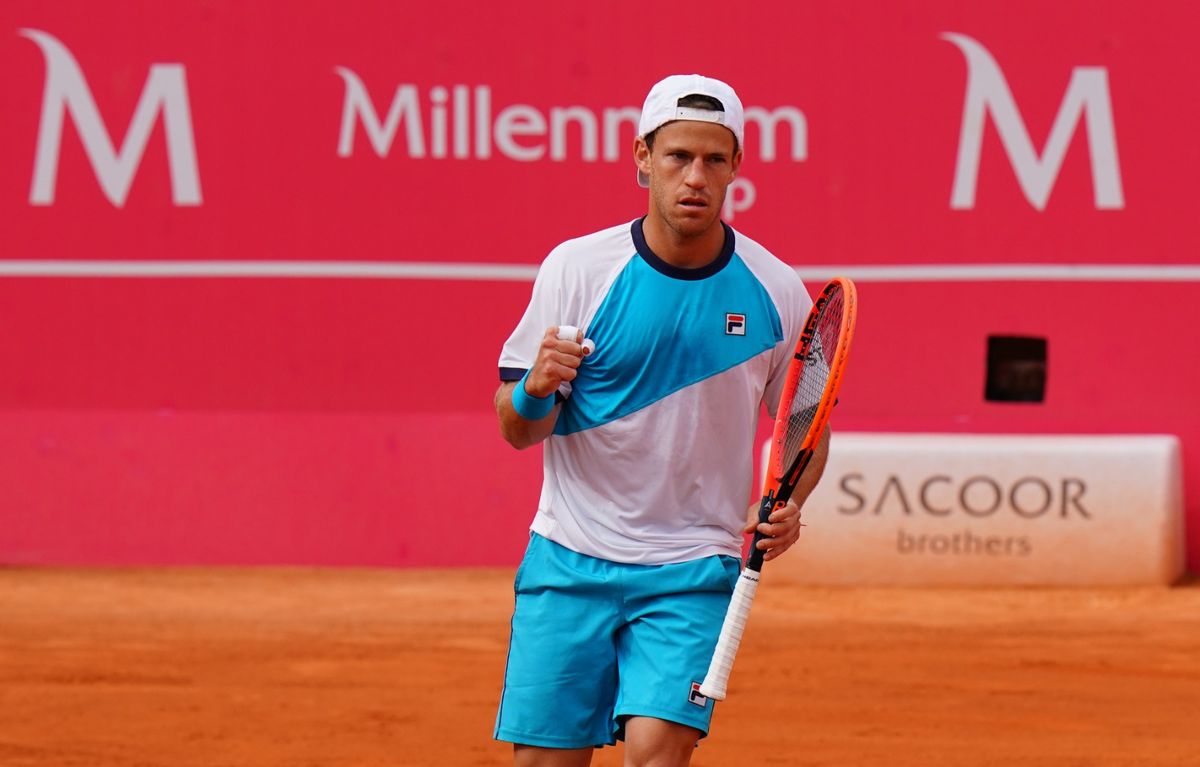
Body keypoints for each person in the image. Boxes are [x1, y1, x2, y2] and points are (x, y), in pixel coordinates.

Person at [493, 74, 830, 767]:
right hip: (568, 557)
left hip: (693, 567)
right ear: (642, 157)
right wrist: (534, 389)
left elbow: (807, 428)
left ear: (737, 166)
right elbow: (517, 427)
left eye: (714, 159)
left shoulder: (779, 291)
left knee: (656, 752)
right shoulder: (576, 269)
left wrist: (787, 502)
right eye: (678, 157)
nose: (695, 177)